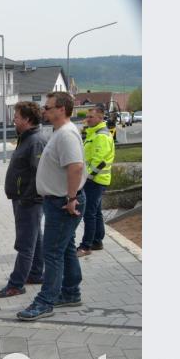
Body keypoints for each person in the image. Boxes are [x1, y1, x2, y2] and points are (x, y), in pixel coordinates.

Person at [17, 92, 87, 321]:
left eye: (48, 107)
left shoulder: (66, 135)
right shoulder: (59, 132)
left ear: (62, 109)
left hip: (62, 203)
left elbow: (75, 167)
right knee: (65, 249)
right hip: (58, 201)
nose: (44, 111)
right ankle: (70, 292)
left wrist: (71, 198)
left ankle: (45, 302)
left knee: (52, 253)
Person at [0, 101, 47, 298]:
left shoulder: (35, 141)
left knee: (25, 243)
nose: (13, 121)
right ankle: (35, 274)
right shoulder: (26, 138)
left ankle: (16, 284)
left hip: (29, 201)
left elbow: (38, 174)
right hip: (24, 199)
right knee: (36, 239)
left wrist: (27, 198)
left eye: (16, 117)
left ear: (27, 119)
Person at [76, 104, 115, 257]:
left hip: (95, 180)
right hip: (97, 179)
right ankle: (97, 241)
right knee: (96, 212)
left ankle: (86, 246)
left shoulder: (100, 136)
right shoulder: (94, 133)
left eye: (91, 117)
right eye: (87, 116)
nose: (88, 119)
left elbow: (100, 161)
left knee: (89, 213)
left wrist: (87, 177)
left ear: (100, 117)